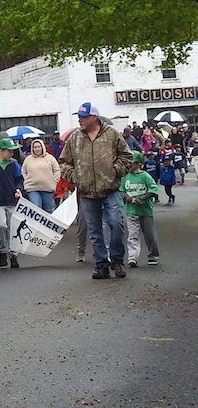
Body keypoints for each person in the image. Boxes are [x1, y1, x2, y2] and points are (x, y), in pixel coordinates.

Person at [58, 101, 134, 280]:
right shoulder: (74, 138)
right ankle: (101, 265)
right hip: (86, 192)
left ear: (94, 117)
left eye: (83, 116)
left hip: (110, 190)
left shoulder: (112, 135)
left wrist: (115, 171)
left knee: (116, 223)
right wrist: (75, 177)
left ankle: (116, 260)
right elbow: (63, 162)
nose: (80, 120)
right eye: (79, 116)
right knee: (94, 230)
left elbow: (127, 156)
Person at [0, 139, 24, 269]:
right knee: (1, 225)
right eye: (9, 151)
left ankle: (14, 254)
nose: (12, 153)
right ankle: (2, 251)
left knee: (13, 227)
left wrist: (19, 189)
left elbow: (19, 179)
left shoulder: (14, 164)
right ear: (1, 151)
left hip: (12, 199)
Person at [121, 152, 160, 267]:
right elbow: (121, 190)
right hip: (131, 211)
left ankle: (153, 255)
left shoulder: (145, 176)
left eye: (131, 163)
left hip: (145, 210)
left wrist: (141, 199)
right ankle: (133, 257)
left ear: (138, 164)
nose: (128, 165)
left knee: (149, 235)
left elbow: (153, 190)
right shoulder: (125, 176)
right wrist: (128, 198)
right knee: (132, 235)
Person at [21, 139, 60, 214]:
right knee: (36, 208)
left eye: (39, 147)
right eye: (35, 147)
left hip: (47, 188)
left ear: (42, 147)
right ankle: (36, 226)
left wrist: (55, 180)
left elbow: (57, 170)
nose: (37, 149)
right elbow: (23, 171)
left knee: (48, 210)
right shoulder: (28, 159)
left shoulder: (50, 158)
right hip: (32, 188)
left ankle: (47, 226)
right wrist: (27, 180)